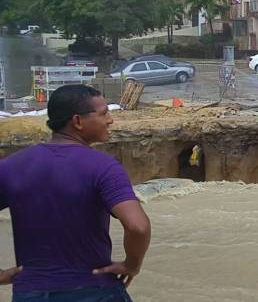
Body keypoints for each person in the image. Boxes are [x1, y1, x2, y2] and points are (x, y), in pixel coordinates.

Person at [0, 85, 151, 301]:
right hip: (92, 289)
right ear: (78, 121)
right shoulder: (104, 167)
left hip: (29, 292)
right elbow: (138, 226)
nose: (111, 120)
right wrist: (131, 265)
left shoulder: (11, 166)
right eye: (104, 113)